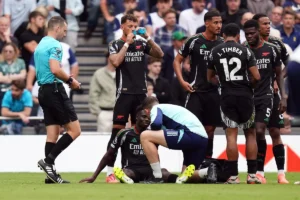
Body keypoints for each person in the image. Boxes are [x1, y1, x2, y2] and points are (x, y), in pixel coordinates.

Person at [106, 14, 164, 183]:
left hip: (140, 94)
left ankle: (136, 169)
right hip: (124, 94)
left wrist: (148, 37)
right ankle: (110, 172)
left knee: (140, 133)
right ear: (122, 27)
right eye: (129, 26)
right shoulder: (115, 44)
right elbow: (116, 62)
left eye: (135, 26)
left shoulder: (141, 44)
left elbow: (159, 54)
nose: (132, 29)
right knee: (117, 133)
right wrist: (126, 44)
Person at [207, 23, 261, 184]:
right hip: (245, 95)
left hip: (227, 95)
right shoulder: (246, 50)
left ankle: (233, 176)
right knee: (250, 133)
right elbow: (257, 77)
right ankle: (252, 175)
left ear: (223, 35)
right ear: (238, 36)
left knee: (231, 135)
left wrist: (222, 84)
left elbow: (209, 76)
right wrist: (248, 86)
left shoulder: (215, 51)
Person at [79, 109, 195, 184]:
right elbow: (109, 154)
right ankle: (126, 179)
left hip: (150, 171)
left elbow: (173, 143)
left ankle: (179, 180)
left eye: (148, 118)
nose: (146, 119)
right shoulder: (124, 133)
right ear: (136, 118)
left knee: (164, 172)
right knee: (124, 172)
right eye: (143, 117)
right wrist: (94, 176)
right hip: (132, 169)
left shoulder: (154, 134)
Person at [35, 16, 81, 184]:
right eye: (64, 30)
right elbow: (55, 69)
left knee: (52, 135)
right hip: (55, 90)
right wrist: (71, 81)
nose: (65, 33)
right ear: (57, 28)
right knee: (75, 130)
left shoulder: (40, 44)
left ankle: (50, 175)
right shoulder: (55, 45)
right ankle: (48, 162)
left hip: (43, 91)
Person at [243, 19, 289, 184]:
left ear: (257, 31)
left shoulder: (273, 48)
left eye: (251, 33)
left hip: (269, 95)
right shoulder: (243, 49)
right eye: (246, 34)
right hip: (250, 97)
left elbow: (279, 72)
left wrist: (283, 96)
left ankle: (281, 173)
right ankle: (260, 172)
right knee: (259, 132)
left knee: (274, 132)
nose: (249, 37)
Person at [173, 10, 223, 159]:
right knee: (190, 129)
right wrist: (182, 81)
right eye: (215, 22)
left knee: (210, 130)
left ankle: (207, 163)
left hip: (214, 92)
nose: (219, 26)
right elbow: (177, 60)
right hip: (195, 91)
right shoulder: (194, 41)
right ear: (206, 23)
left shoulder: (222, 43)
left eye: (220, 22)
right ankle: (187, 164)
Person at [138, 96, 208, 183]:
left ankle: (157, 177)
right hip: (203, 139)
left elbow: (156, 124)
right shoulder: (169, 109)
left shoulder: (156, 108)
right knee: (186, 176)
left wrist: (148, 129)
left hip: (190, 134)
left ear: (146, 110)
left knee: (145, 136)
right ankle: (208, 171)